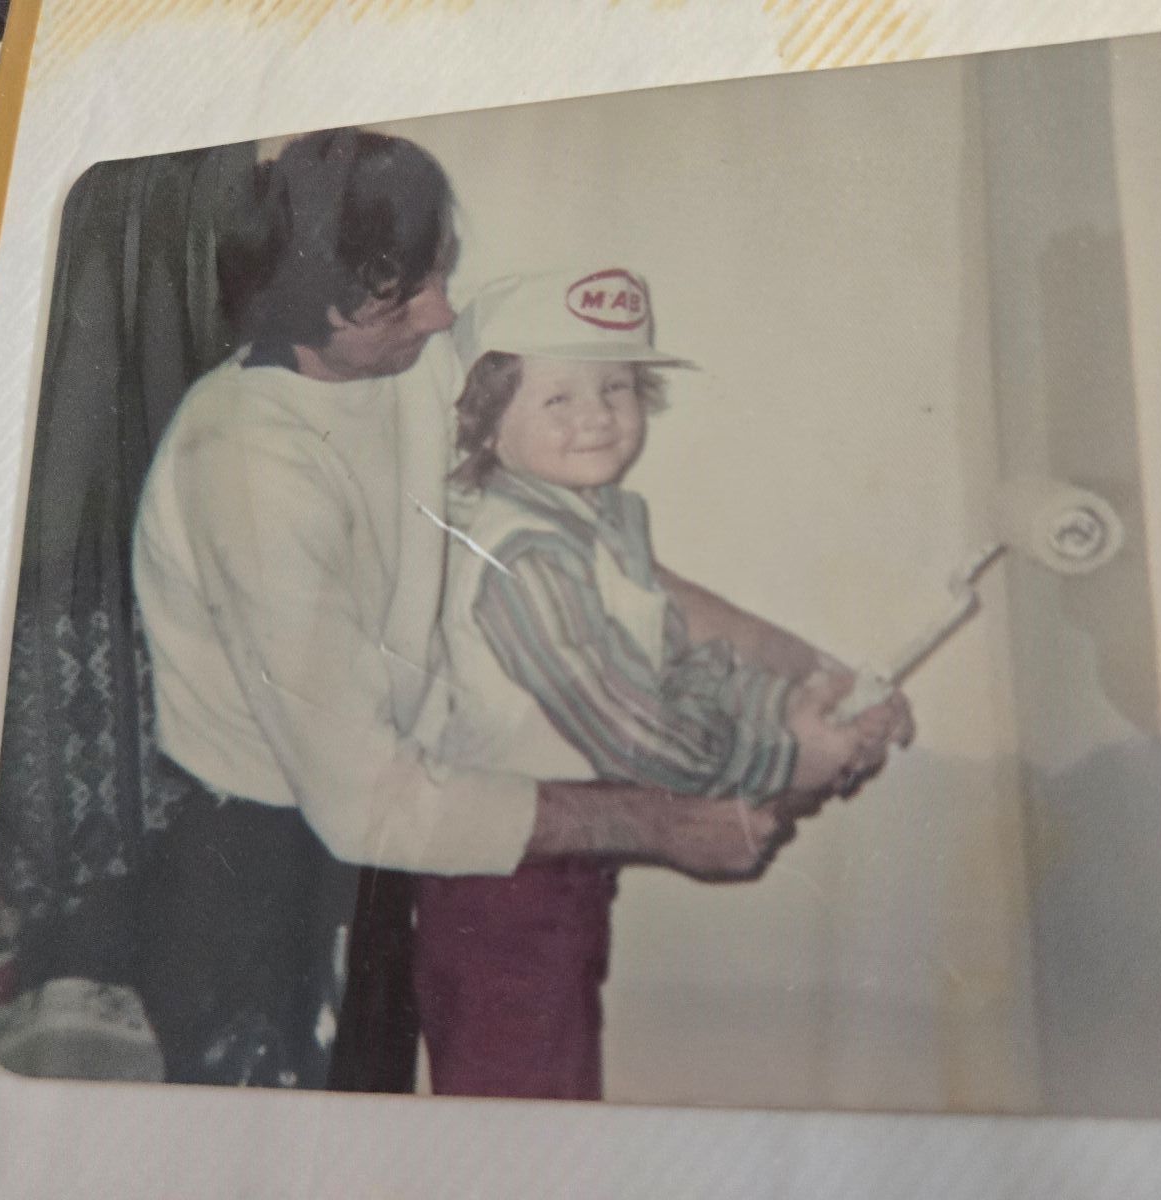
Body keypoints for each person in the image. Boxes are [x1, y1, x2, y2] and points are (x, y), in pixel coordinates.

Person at [127, 129, 861, 1090]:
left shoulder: (410, 363)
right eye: (403, 296)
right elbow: (367, 803)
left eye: (441, 272)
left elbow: (586, 561)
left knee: (399, 1088)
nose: (443, 312)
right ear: (310, 304)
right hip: (263, 856)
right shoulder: (249, 469)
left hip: (399, 815)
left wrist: (798, 663)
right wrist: (665, 823)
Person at [408, 268, 914, 1099]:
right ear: (486, 419)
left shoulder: (596, 525)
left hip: (564, 859)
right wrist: (787, 755)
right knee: (521, 1111)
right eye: (558, 397)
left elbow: (678, 657)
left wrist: (801, 703)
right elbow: (630, 729)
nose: (597, 416)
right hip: (501, 882)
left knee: (553, 1090)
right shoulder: (524, 553)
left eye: (616, 387)